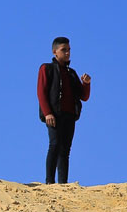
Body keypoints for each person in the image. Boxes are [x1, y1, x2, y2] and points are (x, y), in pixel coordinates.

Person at [37, 36, 91, 184]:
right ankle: (49, 181)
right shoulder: (46, 68)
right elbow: (41, 92)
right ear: (55, 52)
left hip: (70, 115)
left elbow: (83, 96)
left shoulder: (71, 73)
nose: (67, 53)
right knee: (54, 145)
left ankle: (63, 184)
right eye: (64, 50)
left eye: (69, 50)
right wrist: (47, 113)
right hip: (54, 114)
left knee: (65, 150)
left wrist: (86, 84)